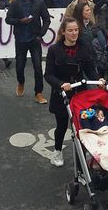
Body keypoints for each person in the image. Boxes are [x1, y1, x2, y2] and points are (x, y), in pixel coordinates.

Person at [44, 17, 101, 167]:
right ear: (63, 32)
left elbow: (90, 69)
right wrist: (61, 84)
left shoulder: (84, 48)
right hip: (61, 94)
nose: (74, 33)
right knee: (62, 125)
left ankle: (85, 153)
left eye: (76, 30)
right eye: (70, 30)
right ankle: (57, 151)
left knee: (84, 125)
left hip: (80, 92)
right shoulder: (54, 50)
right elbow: (48, 75)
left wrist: (98, 80)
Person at [6, 0, 51, 103]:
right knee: (20, 66)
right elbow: (8, 19)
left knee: (37, 67)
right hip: (20, 39)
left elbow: (47, 19)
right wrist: (20, 21)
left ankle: (39, 93)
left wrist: (41, 34)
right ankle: (21, 82)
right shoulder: (15, 3)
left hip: (34, 39)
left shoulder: (39, 2)